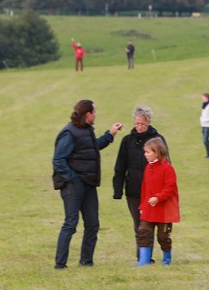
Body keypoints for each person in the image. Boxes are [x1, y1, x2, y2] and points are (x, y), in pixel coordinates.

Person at [52, 100, 122, 268]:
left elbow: (91, 147)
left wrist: (110, 135)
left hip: (88, 183)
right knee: (71, 223)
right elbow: (58, 160)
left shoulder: (85, 130)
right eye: (95, 112)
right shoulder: (69, 132)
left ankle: (86, 262)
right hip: (73, 185)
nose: (96, 114)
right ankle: (60, 264)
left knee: (93, 224)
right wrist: (73, 179)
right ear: (88, 114)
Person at [113, 106, 166, 261]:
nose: (139, 127)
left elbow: (166, 164)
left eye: (142, 124)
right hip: (134, 189)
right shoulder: (127, 141)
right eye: (137, 124)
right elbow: (120, 165)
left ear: (149, 122)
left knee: (152, 225)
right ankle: (143, 257)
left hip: (154, 191)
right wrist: (118, 189)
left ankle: (149, 256)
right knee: (139, 225)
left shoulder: (158, 140)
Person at [137, 137, 180, 266]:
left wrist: (158, 198)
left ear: (157, 152)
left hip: (164, 210)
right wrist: (142, 205)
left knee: (163, 236)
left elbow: (170, 188)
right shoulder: (147, 167)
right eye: (145, 152)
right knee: (143, 231)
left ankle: (166, 260)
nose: (145, 154)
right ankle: (143, 261)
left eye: (148, 152)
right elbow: (144, 187)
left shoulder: (167, 168)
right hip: (149, 209)